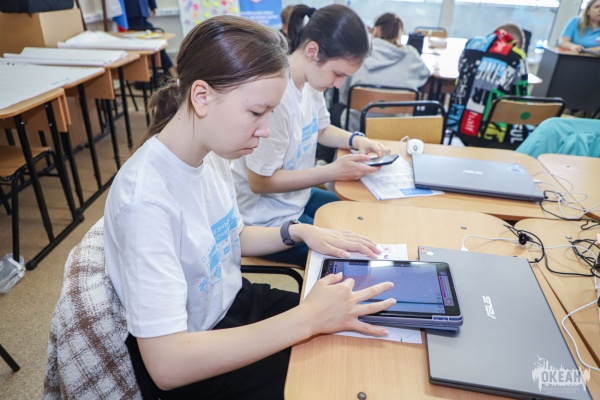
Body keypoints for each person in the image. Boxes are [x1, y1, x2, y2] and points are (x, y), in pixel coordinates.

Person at [103, 15, 396, 400]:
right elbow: (168, 365)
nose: (266, 129)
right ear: (201, 97)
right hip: (199, 355)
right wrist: (307, 319)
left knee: (362, 321)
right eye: (257, 113)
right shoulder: (146, 201)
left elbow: (233, 235)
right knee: (335, 378)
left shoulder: (210, 154)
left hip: (233, 303)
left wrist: (298, 231)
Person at [231, 4, 390, 267]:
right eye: (338, 74)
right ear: (312, 51)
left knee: (361, 217)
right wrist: (332, 171)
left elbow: (322, 129)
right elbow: (259, 182)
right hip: (267, 220)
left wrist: (357, 140)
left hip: (297, 198)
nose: (339, 84)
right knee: (352, 257)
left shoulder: (310, 83)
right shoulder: (277, 99)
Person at [339, 12, 432, 132]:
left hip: (357, 127)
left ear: (376, 30)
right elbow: (425, 74)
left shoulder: (359, 51)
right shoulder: (411, 54)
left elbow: (344, 96)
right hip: (397, 130)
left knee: (337, 109)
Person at [447, 23, 529, 149]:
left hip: (458, 125)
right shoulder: (517, 57)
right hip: (492, 136)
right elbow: (521, 102)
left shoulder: (471, 45)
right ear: (516, 42)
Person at [123, 0, 175, 77]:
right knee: (154, 44)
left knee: (157, 43)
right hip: (130, 13)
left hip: (140, 12)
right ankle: (170, 70)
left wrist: (152, 5)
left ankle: (169, 70)